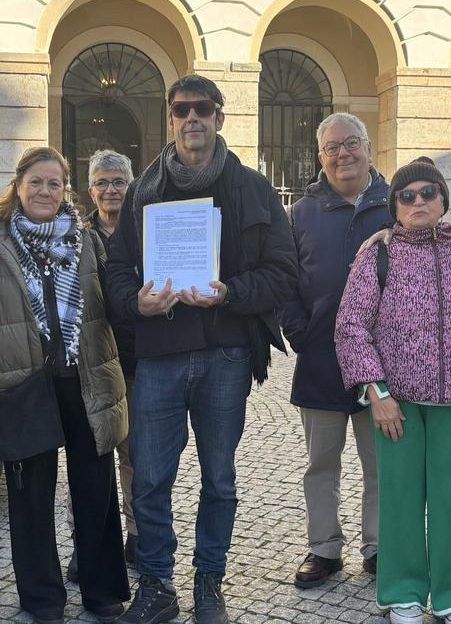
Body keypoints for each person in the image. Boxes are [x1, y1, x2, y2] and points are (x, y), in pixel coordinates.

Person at [105, 74, 297, 624]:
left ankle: (209, 582)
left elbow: (283, 273)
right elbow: (116, 269)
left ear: (218, 117)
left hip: (227, 355)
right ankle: (157, 585)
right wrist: (133, 303)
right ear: (170, 119)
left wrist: (231, 294)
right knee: (150, 477)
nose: (193, 119)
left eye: (203, 110)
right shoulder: (145, 189)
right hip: (160, 354)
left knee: (219, 476)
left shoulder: (254, 189)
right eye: (182, 110)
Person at [0, 146, 130, 624]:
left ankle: (102, 589)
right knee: (30, 496)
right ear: (18, 186)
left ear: (65, 190)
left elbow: (114, 300)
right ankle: (42, 599)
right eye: (36, 182)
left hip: (84, 376)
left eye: (54, 183)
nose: (45, 191)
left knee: (96, 487)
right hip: (23, 381)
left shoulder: (86, 239)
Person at [334, 160, 451, 624]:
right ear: (394, 206)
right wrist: (376, 393)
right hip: (394, 401)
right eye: (407, 195)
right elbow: (351, 327)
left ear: (443, 200)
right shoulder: (376, 253)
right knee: (398, 494)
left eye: (428, 193)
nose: (418, 201)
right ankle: (402, 590)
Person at [277, 112, 388, 588]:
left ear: (368, 148)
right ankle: (324, 548)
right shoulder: (301, 212)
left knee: (381, 464)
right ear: (319, 156)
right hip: (319, 357)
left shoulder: (396, 205)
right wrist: (298, 331)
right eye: (331, 147)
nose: (342, 154)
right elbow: (283, 278)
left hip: (383, 364)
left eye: (351, 143)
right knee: (321, 462)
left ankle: (380, 547)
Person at [84, 149, 139, 565]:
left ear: (131, 186)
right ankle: (89, 541)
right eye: (102, 182)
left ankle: (137, 535)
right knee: (92, 455)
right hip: (91, 361)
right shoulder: (77, 235)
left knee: (135, 456)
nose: (110, 189)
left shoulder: (144, 230)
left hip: (137, 358)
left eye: (118, 181)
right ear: (90, 190)